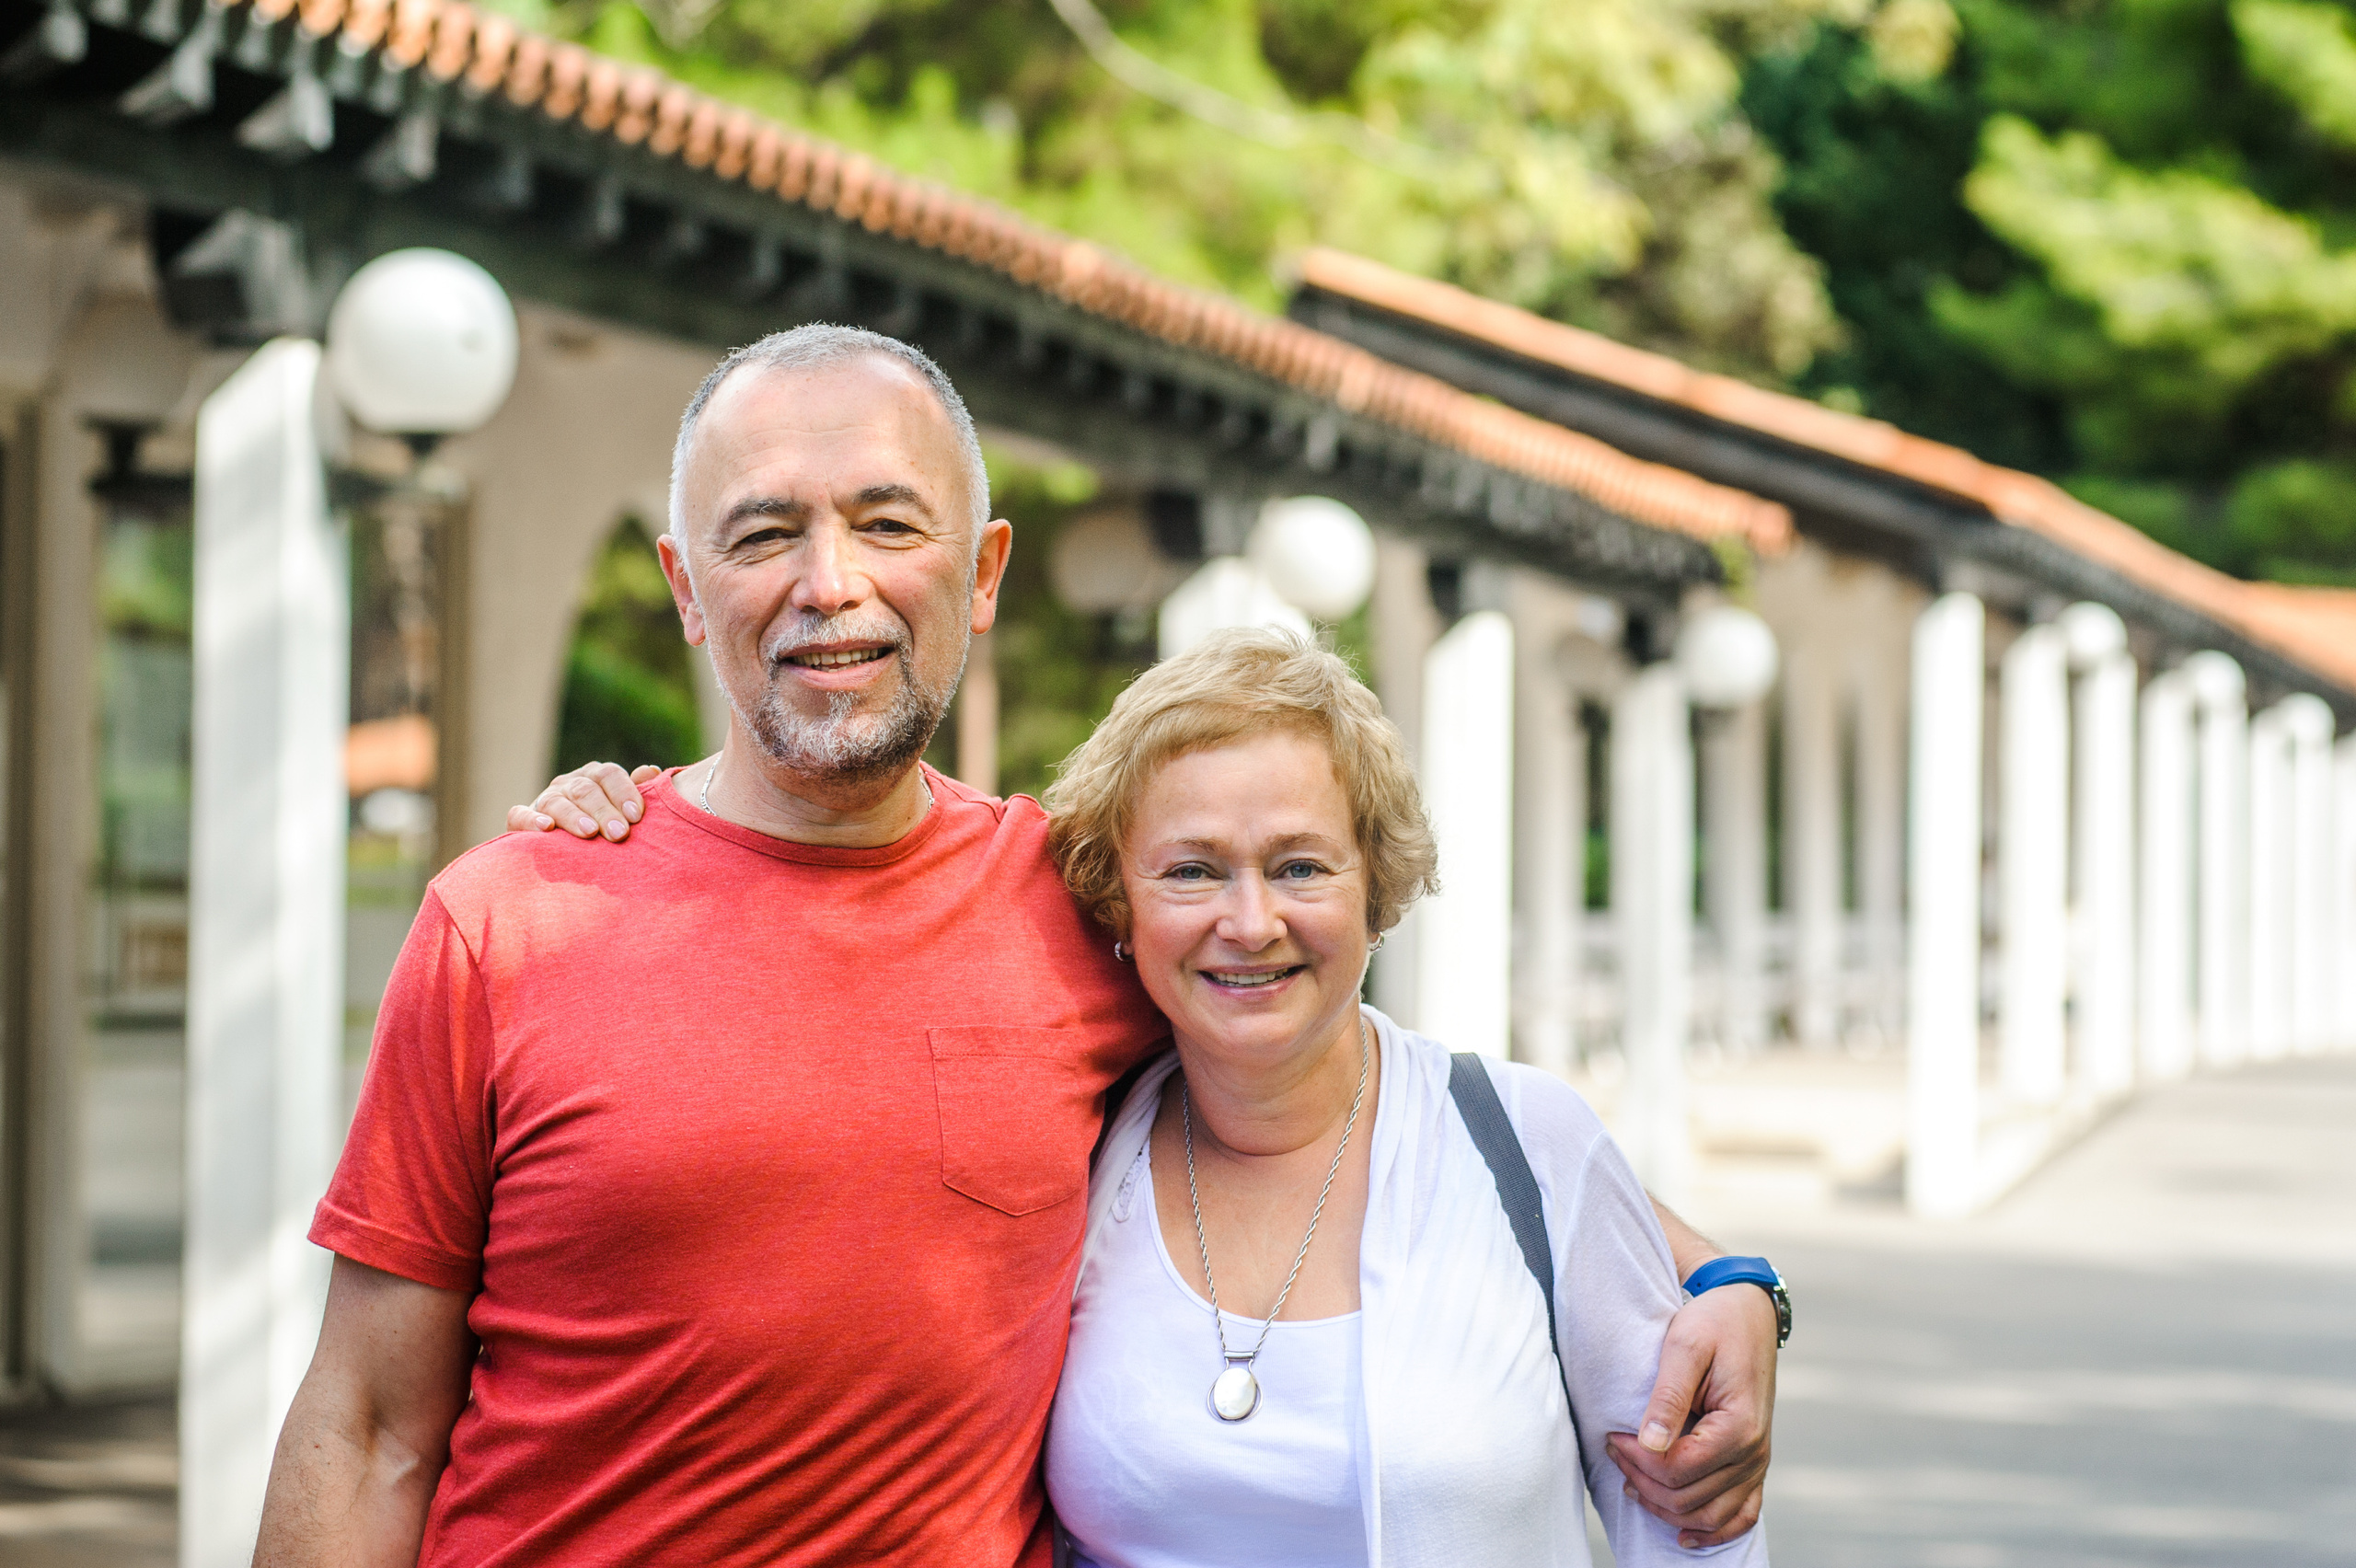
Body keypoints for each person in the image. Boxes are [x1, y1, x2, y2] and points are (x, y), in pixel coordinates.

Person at [257, 324, 1773, 1568]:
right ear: (685, 590)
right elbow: (371, 1423)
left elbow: (1479, 1157)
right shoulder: (509, 914)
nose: (829, 581)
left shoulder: (1083, 901)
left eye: (887, 522)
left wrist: (1742, 1287)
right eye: (764, 532)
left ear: (980, 572)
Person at [1035, 626, 1766, 1563]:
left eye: (1300, 866)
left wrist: (1738, 1283)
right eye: (1191, 871)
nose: (1251, 922)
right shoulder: (1077, 1156)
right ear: (1119, 902)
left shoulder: (1526, 1141)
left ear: (1375, 887)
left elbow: (1694, 1536)